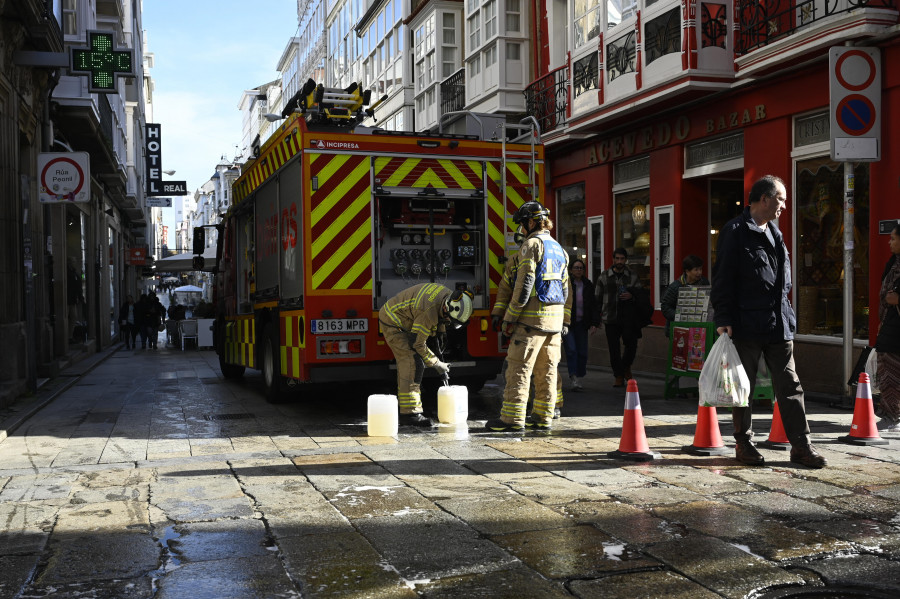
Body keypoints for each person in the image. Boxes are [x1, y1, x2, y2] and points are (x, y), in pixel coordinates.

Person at [711, 174, 826, 468]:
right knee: (744, 388)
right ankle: (743, 443)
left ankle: (801, 446)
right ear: (764, 199)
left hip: (778, 324)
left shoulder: (775, 233)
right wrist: (723, 317)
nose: (784, 206)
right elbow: (723, 278)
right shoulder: (734, 231)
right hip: (746, 323)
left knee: (790, 385)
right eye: (781, 199)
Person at [486, 201, 571, 432]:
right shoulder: (559, 248)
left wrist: (509, 317)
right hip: (553, 324)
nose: (522, 229)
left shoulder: (531, 245)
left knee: (518, 369)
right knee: (548, 371)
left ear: (531, 222)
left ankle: (512, 420)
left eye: (523, 224)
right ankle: (543, 417)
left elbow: (524, 286)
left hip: (530, 324)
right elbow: (565, 290)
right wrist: (564, 321)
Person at [379, 283, 474, 427]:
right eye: (449, 320)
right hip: (394, 322)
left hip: (411, 317)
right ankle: (410, 413)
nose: (448, 322)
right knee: (412, 362)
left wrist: (441, 333)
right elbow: (417, 343)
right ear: (446, 308)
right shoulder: (427, 312)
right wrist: (437, 364)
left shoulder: (448, 296)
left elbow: (439, 316)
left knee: (420, 357)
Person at [596, 248, 642, 387]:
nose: (620, 261)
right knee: (614, 349)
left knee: (631, 345)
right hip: (610, 317)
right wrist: (596, 318)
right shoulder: (604, 276)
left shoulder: (632, 276)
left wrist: (632, 296)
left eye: (622, 259)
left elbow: (641, 295)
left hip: (628, 318)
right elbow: (597, 298)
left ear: (626, 260)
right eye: (617, 258)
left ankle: (626, 366)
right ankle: (619, 375)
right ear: (613, 259)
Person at [874, 224, 900, 431]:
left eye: (893, 238)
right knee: (888, 372)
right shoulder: (893, 263)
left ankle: (893, 416)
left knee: (892, 374)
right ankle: (891, 414)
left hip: (895, 329)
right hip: (890, 326)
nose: (889, 242)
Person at [564, 259, 598, 390]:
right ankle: (573, 377)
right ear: (571, 270)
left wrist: (594, 323)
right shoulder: (566, 284)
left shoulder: (588, 285)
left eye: (581, 268)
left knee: (582, 352)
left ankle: (579, 376)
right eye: (576, 268)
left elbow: (593, 305)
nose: (578, 270)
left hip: (582, 324)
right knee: (571, 350)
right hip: (568, 323)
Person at [661, 254, 710, 337]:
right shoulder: (676, 286)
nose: (699, 272)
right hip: (679, 328)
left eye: (700, 269)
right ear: (687, 271)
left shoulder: (704, 282)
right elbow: (665, 307)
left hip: (699, 328)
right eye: (696, 270)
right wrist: (682, 316)